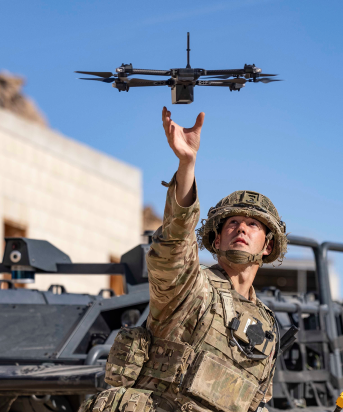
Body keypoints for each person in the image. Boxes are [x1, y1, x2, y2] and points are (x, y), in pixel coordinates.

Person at [107, 107, 288, 412]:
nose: (241, 227)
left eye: (253, 224)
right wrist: (186, 164)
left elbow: (257, 401)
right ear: (216, 240)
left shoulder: (266, 324)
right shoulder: (192, 288)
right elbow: (174, 246)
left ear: (268, 247)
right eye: (232, 223)